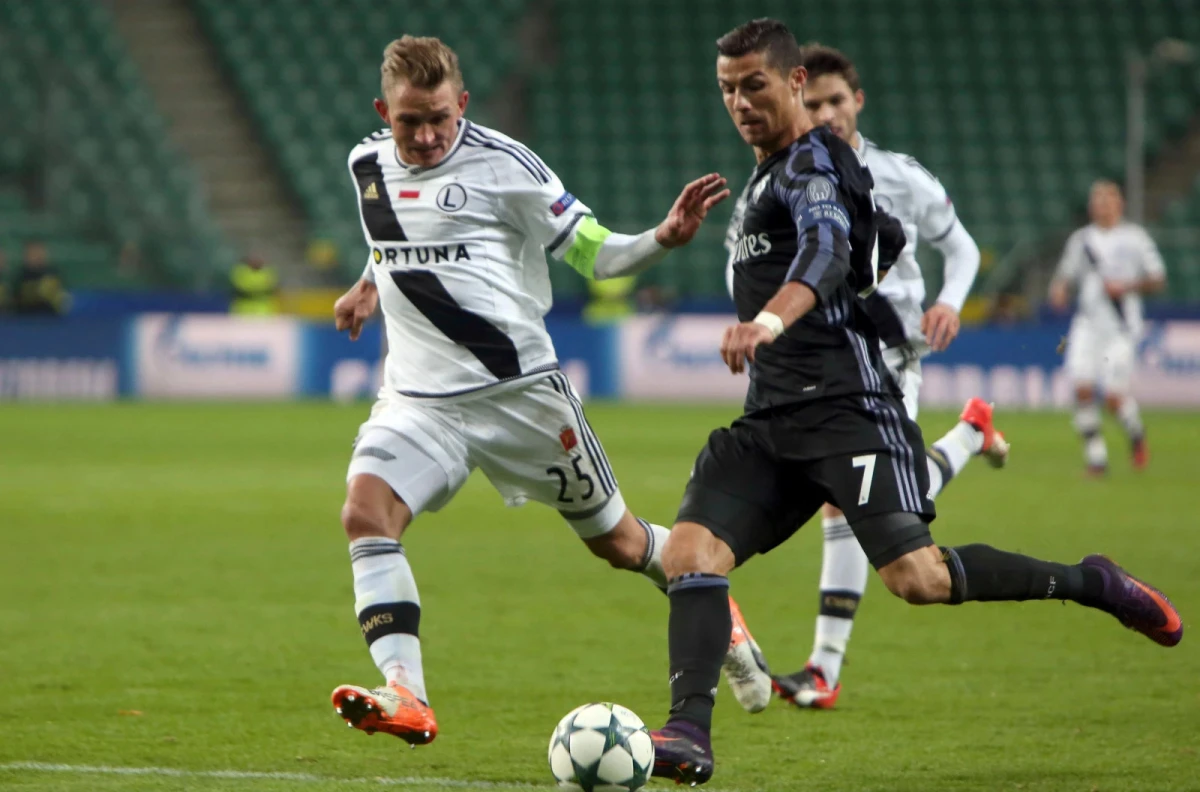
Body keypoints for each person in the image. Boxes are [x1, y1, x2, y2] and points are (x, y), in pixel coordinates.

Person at [648, 19, 1182, 786]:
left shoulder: (810, 164)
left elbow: (830, 249)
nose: (738, 100)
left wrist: (769, 319)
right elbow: (878, 242)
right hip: (772, 418)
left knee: (918, 580)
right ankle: (688, 736)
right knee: (690, 555)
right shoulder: (771, 172)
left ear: (795, 84)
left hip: (848, 407)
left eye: (754, 84)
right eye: (727, 87)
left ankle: (1094, 582)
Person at [326, 35, 771, 747]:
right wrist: (365, 284)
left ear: (462, 104)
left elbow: (592, 252)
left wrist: (661, 235)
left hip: (523, 397)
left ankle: (711, 598)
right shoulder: (366, 164)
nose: (427, 134)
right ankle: (406, 694)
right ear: (385, 111)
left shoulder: (507, 167)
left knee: (622, 545)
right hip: (418, 399)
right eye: (410, 120)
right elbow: (392, 238)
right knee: (364, 513)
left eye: (440, 116)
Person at [754, 43, 1008, 710]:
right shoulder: (790, 177)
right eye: (813, 104)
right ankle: (973, 434)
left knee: (853, 502)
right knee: (867, 502)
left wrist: (950, 299)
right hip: (834, 358)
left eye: (837, 101)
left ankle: (823, 670)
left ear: (857, 102)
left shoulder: (900, 176)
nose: (827, 113)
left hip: (890, 353)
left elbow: (962, 247)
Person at [1048, 181, 1165, 475]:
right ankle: (1096, 458)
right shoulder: (1081, 240)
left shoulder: (1136, 238)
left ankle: (1136, 433)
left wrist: (1126, 286)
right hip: (1087, 324)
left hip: (1121, 327)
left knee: (1113, 396)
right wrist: (1060, 289)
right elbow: (1066, 274)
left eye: (1108, 198)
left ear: (1120, 203)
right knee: (1082, 387)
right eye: (1097, 199)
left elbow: (1157, 278)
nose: (1102, 204)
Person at [13, 240, 67, 315]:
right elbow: (14, 302)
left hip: (50, 319)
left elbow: (64, 300)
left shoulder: (53, 273)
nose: (37, 256)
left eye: (39, 252)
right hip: (26, 319)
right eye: (32, 253)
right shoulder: (20, 276)